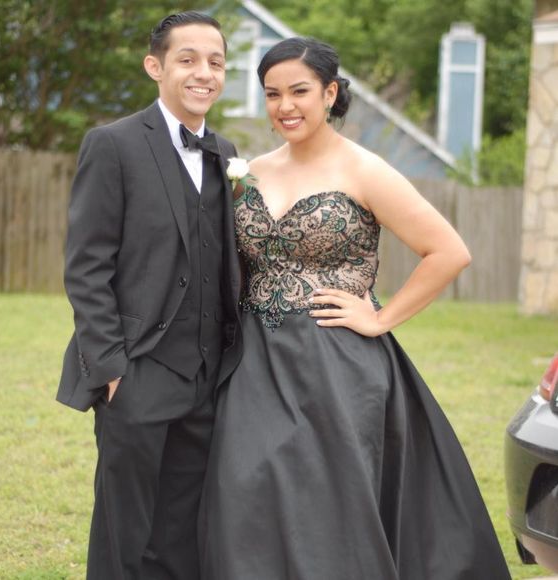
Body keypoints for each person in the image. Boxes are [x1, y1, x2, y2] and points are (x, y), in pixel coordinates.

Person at [198, 37, 511, 579]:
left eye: (299, 91)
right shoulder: (249, 172)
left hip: (336, 364)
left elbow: (449, 252)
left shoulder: (365, 170)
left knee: (327, 504)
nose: (285, 106)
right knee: (244, 489)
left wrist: (380, 318)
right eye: (272, 94)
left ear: (330, 93)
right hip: (253, 360)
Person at [56, 12, 242, 580]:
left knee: (183, 529)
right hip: (137, 371)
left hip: (208, 376)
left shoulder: (226, 152)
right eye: (188, 59)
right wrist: (112, 369)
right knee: (125, 529)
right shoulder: (112, 144)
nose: (204, 72)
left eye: (215, 62)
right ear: (155, 67)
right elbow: (86, 266)